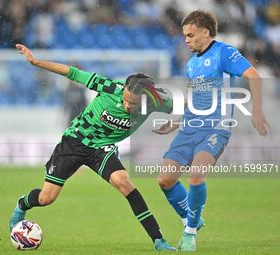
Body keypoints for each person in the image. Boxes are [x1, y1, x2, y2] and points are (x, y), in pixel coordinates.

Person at [9, 44, 176, 251]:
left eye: (132, 104)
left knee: (125, 184)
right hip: (74, 142)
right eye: (124, 99)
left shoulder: (157, 102)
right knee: (46, 198)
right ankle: (21, 205)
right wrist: (35, 62)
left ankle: (158, 240)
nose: (126, 105)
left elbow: (186, 106)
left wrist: (176, 123)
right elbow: (71, 73)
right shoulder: (108, 87)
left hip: (101, 148)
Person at [153, 10, 270, 252]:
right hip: (190, 127)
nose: (186, 40)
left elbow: (255, 77)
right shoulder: (191, 63)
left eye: (190, 35)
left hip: (216, 127)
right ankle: (192, 218)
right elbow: (192, 99)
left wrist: (256, 112)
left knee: (196, 175)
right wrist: (174, 122)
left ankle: (190, 232)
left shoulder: (224, 52)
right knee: (165, 180)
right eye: (184, 35)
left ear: (205, 32)